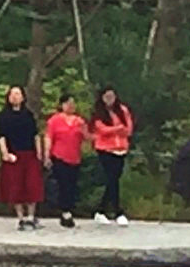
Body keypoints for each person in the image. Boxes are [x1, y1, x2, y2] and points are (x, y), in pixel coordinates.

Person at [0, 85, 43, 227]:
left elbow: (35, 135)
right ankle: (20, 217)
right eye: (12, 94)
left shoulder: (28, 115)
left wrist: (39, 152)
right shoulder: (4, 117)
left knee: (32, 185)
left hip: (29, 153)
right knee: (15, 186)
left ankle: (31, 216)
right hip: (14, 154)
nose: (15, 97)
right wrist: (5, 153)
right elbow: (1, 136)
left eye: (18, 94)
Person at [89, 86, 134, 223]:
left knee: (113, 180)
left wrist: (119, 130)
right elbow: (102, 130)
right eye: (107, 97)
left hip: (120, 149)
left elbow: (128, 129)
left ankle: (101, 209)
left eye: (112, 97)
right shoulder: (98, 113)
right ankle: (117, 211)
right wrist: (117, 129)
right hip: (105, 149)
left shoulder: (123, 110)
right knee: (112, 178)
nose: (110, 100)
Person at [44, 91, 87, 227]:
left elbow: (87, 137)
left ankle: (69, 209)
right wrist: (47, 154)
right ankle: (65, 211)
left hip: (75, 156)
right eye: (68, 103)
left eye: (72, 104)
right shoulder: (54, 120)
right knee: (63, 184)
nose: (70, 106)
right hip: (59, 155)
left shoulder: (79, 121)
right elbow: (49, 137)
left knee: (72, 185)